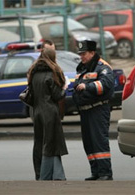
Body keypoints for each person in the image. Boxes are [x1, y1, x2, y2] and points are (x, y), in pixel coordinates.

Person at [72, 40, 114, 181]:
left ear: (92, 53)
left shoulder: (102, 67)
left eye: (84, 54)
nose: (81, 57)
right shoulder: (82, 68)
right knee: (88, 143)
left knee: (99, 141)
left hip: (98, 109)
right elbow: (77, 87)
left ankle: (105, 173)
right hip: (85, 111)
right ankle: (95, 171)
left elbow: (106, 85)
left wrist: (87, 88)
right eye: (80, 54)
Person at [27, 48, 68, 180]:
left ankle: (42, 174)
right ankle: (49, 175)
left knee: (39, 143)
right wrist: (64, 88)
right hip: (50, 112)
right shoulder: (52, 74)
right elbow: (57, 96)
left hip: (37, 112)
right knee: (51, 144)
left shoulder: (33, 73)